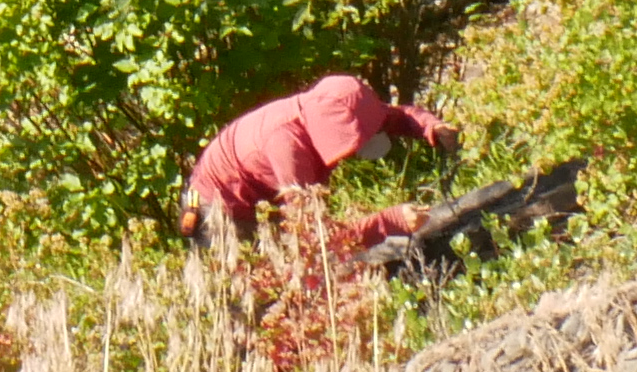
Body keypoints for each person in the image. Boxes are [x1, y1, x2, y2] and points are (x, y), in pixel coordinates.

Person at [179, 71, 457, 250]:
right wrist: (391, 221)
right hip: (215, 213)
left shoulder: (328, 104)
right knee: (272, 290)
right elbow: (314, 241)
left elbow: (388, 117)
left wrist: (430, 127)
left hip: (256, 192)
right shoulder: (288, 148)